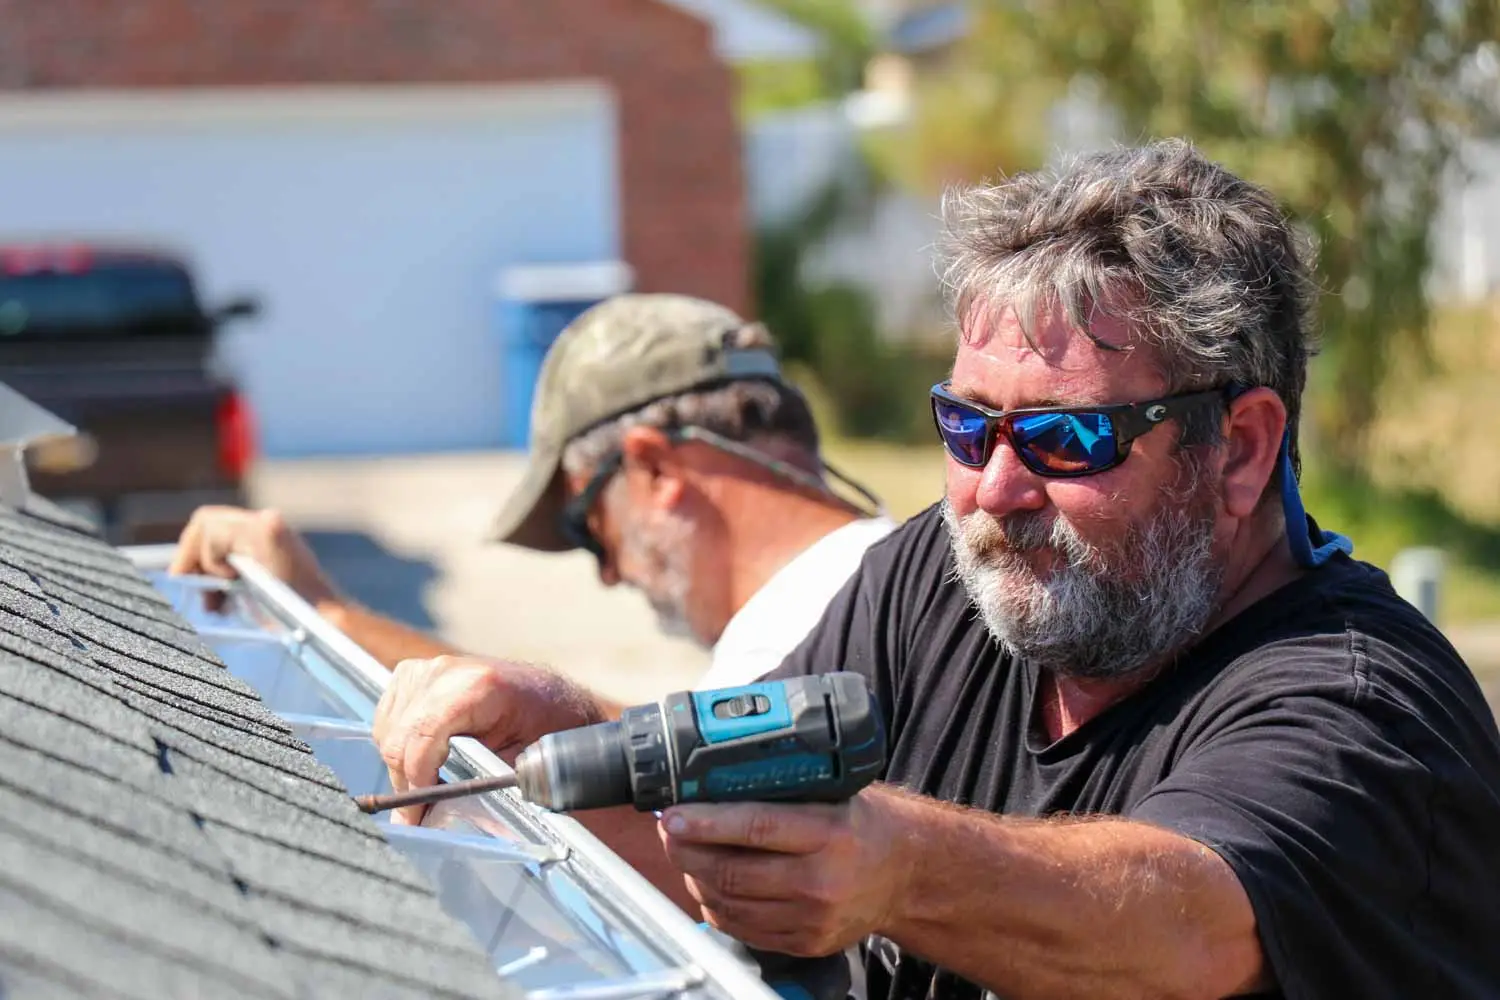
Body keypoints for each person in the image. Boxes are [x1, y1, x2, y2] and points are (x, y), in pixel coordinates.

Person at [371, 139, 1500, 999]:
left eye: (1068, 438)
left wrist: (898, 870)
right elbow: (725, 833)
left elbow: (1190, 918)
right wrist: (560, 736)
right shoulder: (945, 575)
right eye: (968, 428)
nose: (997, 490)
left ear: (1240, 450)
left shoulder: (1362, 706)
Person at [169, 293, 896, 687]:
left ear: (653, 470)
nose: (610, 575)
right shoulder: (899, 581)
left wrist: (327, 614)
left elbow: (660, 815)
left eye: (587, 525)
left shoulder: (809, 629)